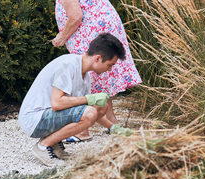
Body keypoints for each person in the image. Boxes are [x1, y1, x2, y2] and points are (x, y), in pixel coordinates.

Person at [32, 0, 142, 141]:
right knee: (100, 83)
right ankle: (113, 128)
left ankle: (82, 131)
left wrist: (61, 37)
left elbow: (75, 16)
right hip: (102, 32)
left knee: (88, 81)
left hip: (90, 35)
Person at [18, 33, 131, 166]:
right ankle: (43, 146)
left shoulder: (85, 74)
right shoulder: (68, 65)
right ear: (98, 58)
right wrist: (89, 99)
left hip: (46, 116)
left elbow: (91, 110)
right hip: (34, 119)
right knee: (89, 112)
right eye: (109, 65)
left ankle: (53, 144)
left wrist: (114, 128)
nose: (110, 69)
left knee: (100, 106)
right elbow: (57, 103)